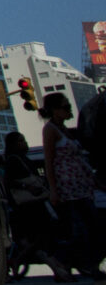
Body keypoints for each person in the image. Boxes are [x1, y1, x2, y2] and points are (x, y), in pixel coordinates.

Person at [3, 130, 82, 280]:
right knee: (41, 237)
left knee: (43, 238)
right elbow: (9, 182)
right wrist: (28, 187)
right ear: (13, 144)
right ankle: (21, 260)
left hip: (36, 202)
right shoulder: (13, 160)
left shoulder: (24, 159)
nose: (24, 143)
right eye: (20, 141)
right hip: (28, 206)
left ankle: (52, 268)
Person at [41, 91, 99, 273]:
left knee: (90, 225)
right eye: (65, 107)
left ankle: (74, 264)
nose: (69, 110)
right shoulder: (50, 130)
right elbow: (48, 161)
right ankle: (71, 262)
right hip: (67, 188)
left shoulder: (65, 129)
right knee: (81, 227)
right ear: (54, 110)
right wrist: (53, 190)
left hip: (81, 186)